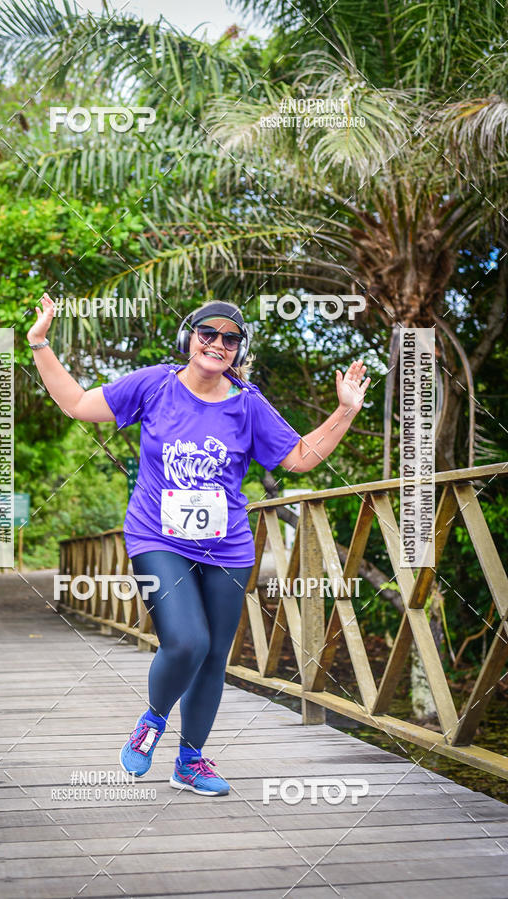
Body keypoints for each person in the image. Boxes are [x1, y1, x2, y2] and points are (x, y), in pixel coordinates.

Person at [27, 294, 370, 797]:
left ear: (238, 349)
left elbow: (299, 458)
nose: (217, 344)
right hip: (156, 537)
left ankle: (190, 762)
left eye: (230, 338)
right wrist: (39, 343)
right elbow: (77, 404)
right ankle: (153, 719)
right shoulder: (155, 385)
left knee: (213, 658)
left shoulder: (248, 403)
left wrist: (344, 411)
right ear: (189, 337)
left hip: (227, 548)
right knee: (188, 642)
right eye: (208, 333)